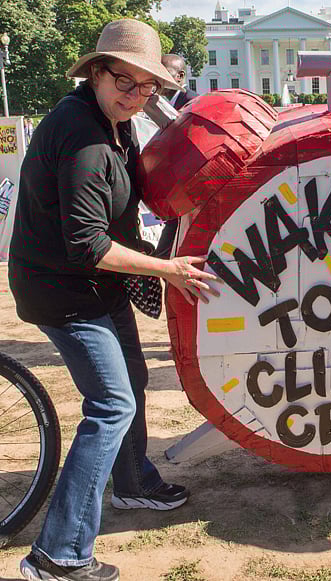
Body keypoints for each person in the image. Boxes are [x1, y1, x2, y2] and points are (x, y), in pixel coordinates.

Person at [9, 19, 219, 581]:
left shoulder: (113, 122)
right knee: (111, 405)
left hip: (96, 285)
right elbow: (87, 244)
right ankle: (58, 555)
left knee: (132, 377)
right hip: (64, 290)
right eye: (122, 80)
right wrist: (166, 268)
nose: (133, 93)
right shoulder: (82, 136)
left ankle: (131, 483)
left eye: (145, 86)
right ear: (96, 73)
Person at [152, 54, 200, 259]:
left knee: (167, 250)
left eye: (166, 74)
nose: (159, 79)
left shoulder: (193, 102)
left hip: (188, 190)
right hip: (172, 189)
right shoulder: (156, 102)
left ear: (180, 76)